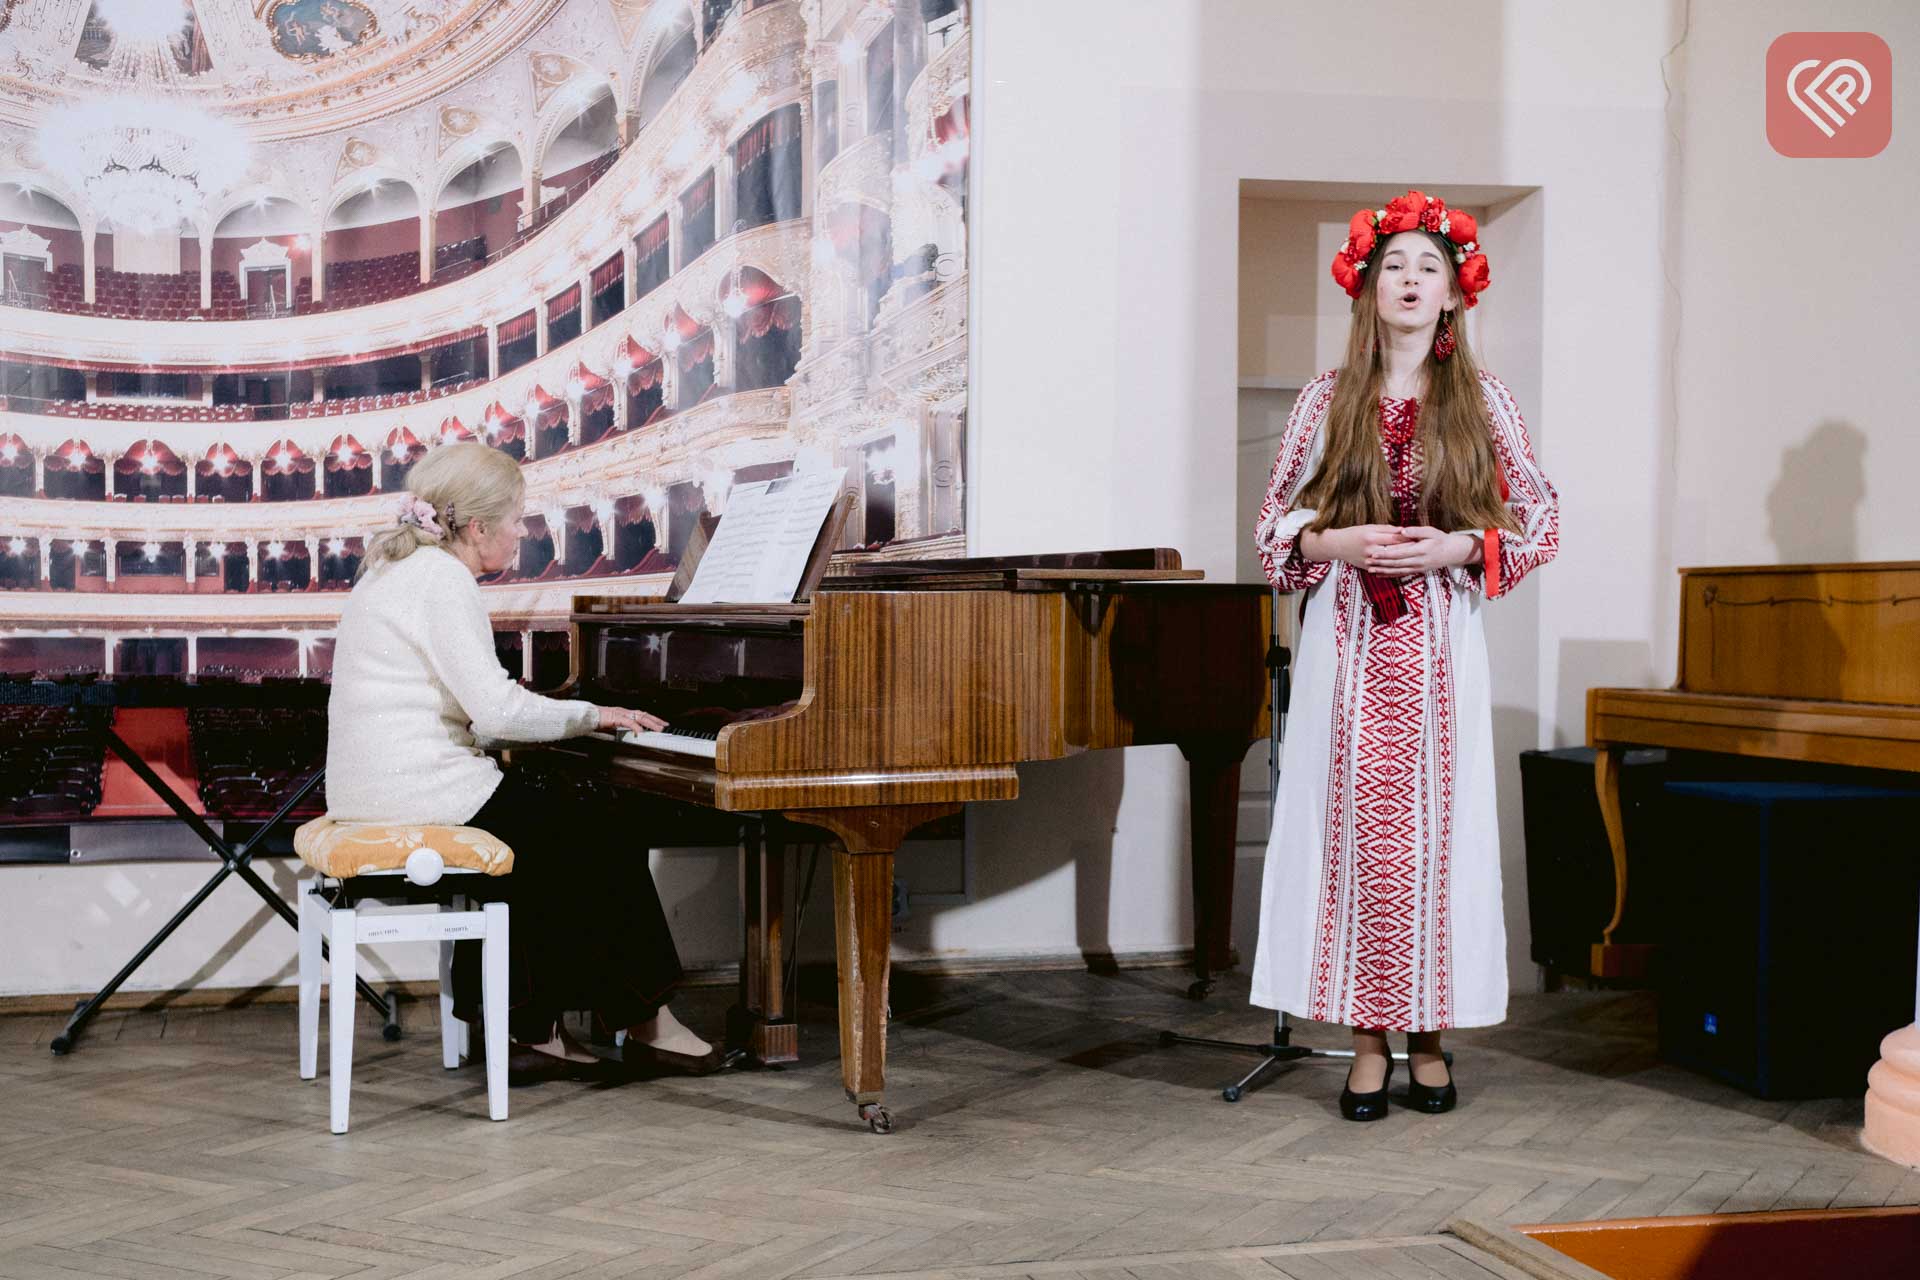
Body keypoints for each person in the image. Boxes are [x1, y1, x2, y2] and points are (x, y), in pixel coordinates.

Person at [1250, 190, 1559, 1120]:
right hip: (1346, 645)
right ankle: (1368, 1041)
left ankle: (1432, 1037)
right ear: (1368, 289)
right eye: (1395, 266)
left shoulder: (1484, 399)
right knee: (1354, 840)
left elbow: (1539, 519)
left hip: (1438, 648)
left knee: (1436, 839)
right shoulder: (1323, 399)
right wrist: (1329, 543)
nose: (1413, 280)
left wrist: (1460, 547)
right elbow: (1272, 525)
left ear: (1457, 293)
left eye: (1430, 267)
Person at [324, 441, 720, 1080]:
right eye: (516, 519)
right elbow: (498, 714)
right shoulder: (441, 578)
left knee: (551, 823)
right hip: (421, 790)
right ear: (477, 527)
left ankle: (529, 1024)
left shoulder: (397, 569)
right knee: (601, 828)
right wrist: (596, 715)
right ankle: (648, 1021)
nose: (521, 532)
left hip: (380, 788)